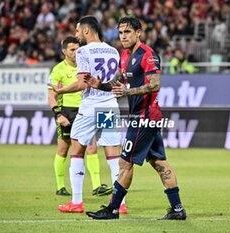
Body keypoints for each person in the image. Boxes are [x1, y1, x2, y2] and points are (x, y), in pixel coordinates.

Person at [84, 16, 187, 220]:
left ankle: (113, 209)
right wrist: (100, 85)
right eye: (121, 32)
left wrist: (128, 92)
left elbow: (155, 84)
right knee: (160, 164)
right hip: (144, 116)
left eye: (128, 32)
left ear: (138, 32)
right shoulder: (124, 55)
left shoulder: (147, 54)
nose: (123, 36)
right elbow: (117, 81)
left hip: (145, 116)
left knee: (125, 163)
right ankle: (177, 210)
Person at [49, 16, 127, 214]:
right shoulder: (113, 50)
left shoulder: (83, 51)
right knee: (113, 155)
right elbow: (117, 80)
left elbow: (83, 84)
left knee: (77, 150)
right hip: (110, 105)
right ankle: (121, 204)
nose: (76, 35)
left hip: (90, 105)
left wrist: (61, 91)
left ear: (86, 31)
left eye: (77, 31)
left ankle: (76, 202)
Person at [48, 36, 113, 197]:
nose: (76, 52)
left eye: (78, 49)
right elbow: (51, 95)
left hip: (84, 109)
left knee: (92, 147)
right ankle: (60, 186)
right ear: (64, 51)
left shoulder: (85, 66)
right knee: (63, 149)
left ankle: (97, 186)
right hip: (66, 111)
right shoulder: (58, 70)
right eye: (72, 50)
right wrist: (58, 114)